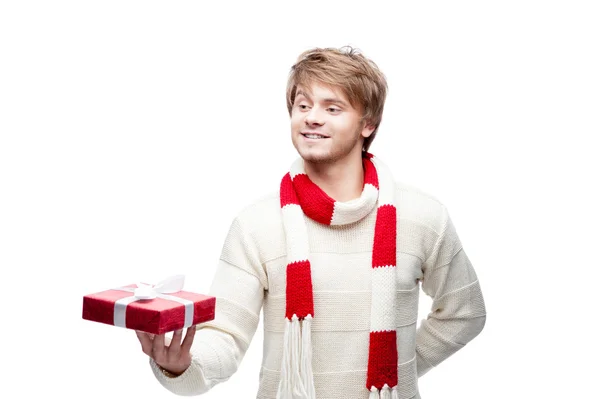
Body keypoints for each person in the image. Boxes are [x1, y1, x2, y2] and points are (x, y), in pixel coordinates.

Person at [135, 45, 486, 399]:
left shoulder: (422, 217)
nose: (312, 117)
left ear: (368, 124)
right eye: (303, 105)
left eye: (332, 108)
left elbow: (464, 314)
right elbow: (225, 335)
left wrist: (393, 371)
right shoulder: (257, 224)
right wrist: (181, 365)